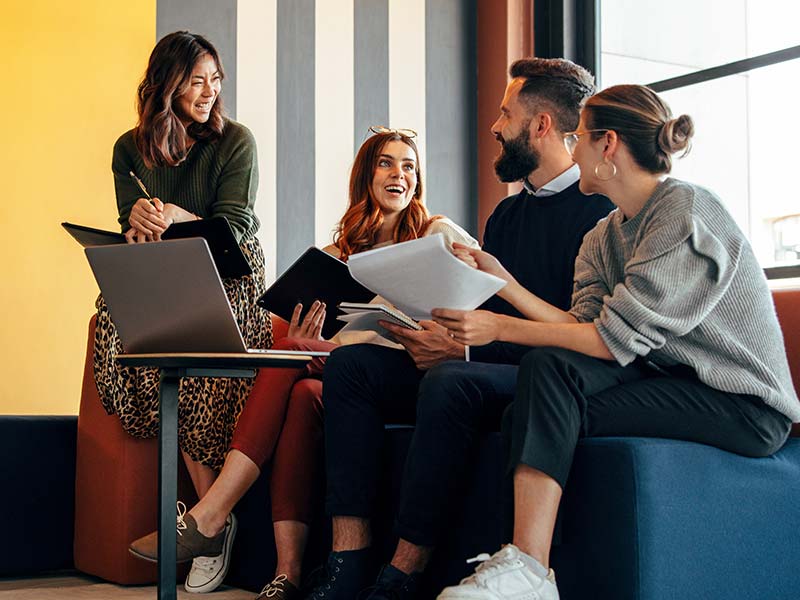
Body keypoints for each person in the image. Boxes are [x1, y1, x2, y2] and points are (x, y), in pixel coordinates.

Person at [432, 84, 800, 600]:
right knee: (535, 392)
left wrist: (500, 327)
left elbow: (610, 341)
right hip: (669, 379)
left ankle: (529, 571)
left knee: (543, 391)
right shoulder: (603, 235)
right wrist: (505, 285)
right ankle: (521, 569)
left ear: (608, 146)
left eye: (578, 137)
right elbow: (578, 325)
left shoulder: (684, 212)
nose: (571, 148)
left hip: (743, 405)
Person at [308, 58, 615, 600]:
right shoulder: (504, 217)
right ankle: (347, 556)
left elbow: (579, 337)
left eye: (505, 114)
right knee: (352, 366)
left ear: (540, 125)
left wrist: (461, 354)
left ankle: (403, 572)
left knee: (450, 382)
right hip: (485, 361)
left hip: (547, 377)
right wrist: (445, 339)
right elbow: (478, 309)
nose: (495, 127)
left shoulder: (600, 214)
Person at [128, 127, 479, 598]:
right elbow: (316, 339)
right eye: (386, 163)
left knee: (296, 361)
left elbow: (478, 300)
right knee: (301, 392)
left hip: (417, 374)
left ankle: (211, 515)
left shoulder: (437, 232)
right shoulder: (338, 255)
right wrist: (305, 340)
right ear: (366, 177)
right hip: (344, 377)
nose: (399, 174)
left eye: (409, 166)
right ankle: (288, 573)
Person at [92, 30, 273, 591]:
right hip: (165, 271)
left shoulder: (235, 140)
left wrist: (176, 214)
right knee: (116, 321)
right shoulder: (129, 148)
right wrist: (138, 226)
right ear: (165, 84)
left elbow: (238, 229)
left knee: (193, 355)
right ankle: (211, 521)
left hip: (229, 273)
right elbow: (131, 223)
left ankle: (205, 521)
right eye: (196, 80)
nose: (209, 91)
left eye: (215, 80)